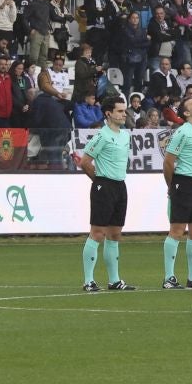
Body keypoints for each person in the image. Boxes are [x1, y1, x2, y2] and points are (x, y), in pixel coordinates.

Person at [76, 96, 135, 293]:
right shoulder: (101, 136)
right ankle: (89, 280)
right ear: (108, 113)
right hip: (104, 186)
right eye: (120, 111)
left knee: (115, 234)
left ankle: (115, 280)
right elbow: (85, 161)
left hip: (120, 186)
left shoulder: (125, 135)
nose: (123, 114)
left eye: (124, 111)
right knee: (98, 232)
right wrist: (99, 181)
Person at [160, 95, 192, 292]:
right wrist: (172, 186)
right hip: (184, 182)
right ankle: (169, 277)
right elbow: (169, 161)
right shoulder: (182, 132)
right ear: (186, 113)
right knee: (177, 230)